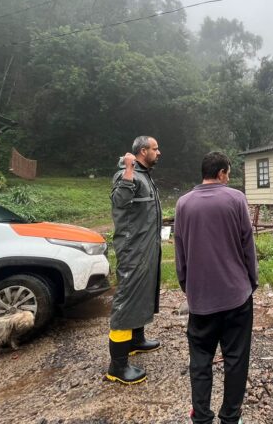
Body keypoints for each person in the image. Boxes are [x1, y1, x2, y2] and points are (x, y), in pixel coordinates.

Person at [174, 151, 258, 424]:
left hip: (200, 299)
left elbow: (180, 250)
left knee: (200, 360)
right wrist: (251, 281)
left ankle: (201, 416)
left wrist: (187, 285)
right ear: (222, 173)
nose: (228, 177)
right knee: (235, 359)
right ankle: (230, 417)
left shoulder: (183, 204)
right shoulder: (236, 199)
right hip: (237, 296)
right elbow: (248, 246)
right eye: (228, 173)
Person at [105, 135, 163, 385]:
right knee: (127, 301)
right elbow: (119, 201)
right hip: (132, 250)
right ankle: (117, 366)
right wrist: (128, 168)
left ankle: (136, 341)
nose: (159, 152)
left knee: (144, 293)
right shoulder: (127, 174)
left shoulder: (145, 175)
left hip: (147, 247)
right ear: (142, 151)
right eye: (155, 148)